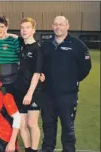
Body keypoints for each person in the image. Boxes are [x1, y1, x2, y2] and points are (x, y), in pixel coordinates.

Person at [40, 16, 91, 152]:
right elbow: (39, 66)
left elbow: (85, 68)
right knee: (48, 126)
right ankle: (47, 149)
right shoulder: (46, 45)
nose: (58, 27)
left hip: (68, 95)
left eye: (61, 24)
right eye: (56, 24)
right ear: (52, 26)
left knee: (68, 127)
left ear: (67, 26)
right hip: (47, 95)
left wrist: (71, 80)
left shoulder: (78, 45)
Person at [11, 17, 43, 152]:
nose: (24, 30)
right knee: (22, 124)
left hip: (33, 92)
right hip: (18, 90)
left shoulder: (38, 49)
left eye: (28, 27)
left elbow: (37, 73)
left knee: (32, 123)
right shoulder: (21, 44)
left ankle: (34, 150)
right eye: (22, 27)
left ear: (34, 30)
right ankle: (28, 149)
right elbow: (9, 35)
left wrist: (29, 93)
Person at [0, 16, 21, 95]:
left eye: (2, 27)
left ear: (6, 27)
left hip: (11, 81)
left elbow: (22, 56)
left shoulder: (14, 41)